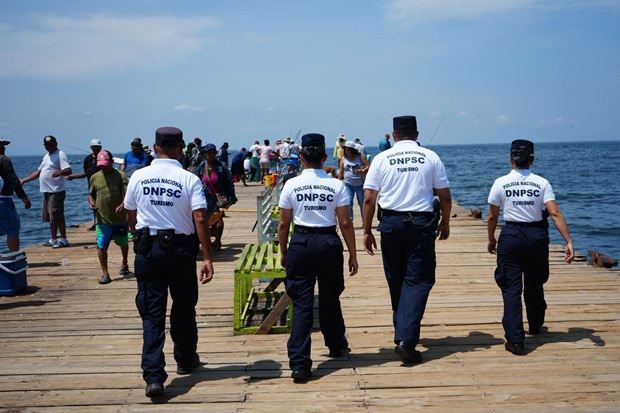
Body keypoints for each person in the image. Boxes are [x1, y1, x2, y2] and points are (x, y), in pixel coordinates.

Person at [123, 126, 215, 398]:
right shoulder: (189, 179)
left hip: (147, 250)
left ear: (154, 147)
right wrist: (207, 257)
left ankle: (153, 377)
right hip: (179, 251)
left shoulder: (138, 176)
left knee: (152, 313)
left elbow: (130, 214)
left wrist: (137, 235)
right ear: (181, 148)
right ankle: (185, 359)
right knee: (184, 307)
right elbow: (200, 219)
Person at [362, 116, 451, 364]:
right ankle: (406, 339)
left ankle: (402, 329)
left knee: (396, 277)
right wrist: (445, 222)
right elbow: (444, 195)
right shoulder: (430, 157)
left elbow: (369, 198)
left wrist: (367, 230)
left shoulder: (381, 158)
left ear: (394, 135)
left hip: (390, 224)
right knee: (419, 279)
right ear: (417, 134)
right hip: (420, 225)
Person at [278, 133, 358, 382]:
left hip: (301, 243)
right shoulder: (336, 185)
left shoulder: (291, 184)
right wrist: (352, 254)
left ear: (301, 158)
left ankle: (299, 364)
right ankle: (335, 344)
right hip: (328, 242)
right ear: (324, 157)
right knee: (329, 297)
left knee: (302, 303)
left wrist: (284, 251)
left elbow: (283, 223)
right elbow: (345, 223)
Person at [487, 139, 574, 356]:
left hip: (511, 235)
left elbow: (492, 216)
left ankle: (516, 340)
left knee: (511, 287)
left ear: (511, 159)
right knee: (535, 282)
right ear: (532, 160)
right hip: (537, 236)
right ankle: (535, 324)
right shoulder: (541, 183)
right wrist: (568, 241)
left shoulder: (500, 182)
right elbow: (554, 213)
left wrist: (491, 239)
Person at [21, 135, 73, 248]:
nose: (49, 146)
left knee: (58, 215)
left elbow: (68, 170)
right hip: (47, 191)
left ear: (56, 144)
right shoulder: (46, 156)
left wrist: (60, 173)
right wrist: (24, 180)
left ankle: (63, 239)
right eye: (47, 145)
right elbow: (38, 172)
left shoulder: (60, 154)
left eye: (51, 144)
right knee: (51, 216)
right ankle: (53, 239)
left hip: (56, 191)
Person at [88, 150, 130, 285]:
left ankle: (124, 262)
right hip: (102, 218)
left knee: (123, 243)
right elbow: (91, 194)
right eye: (100, 165)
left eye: (105, 165)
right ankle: (105, 273)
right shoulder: (94, 177)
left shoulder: (120, 175)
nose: (103, 167)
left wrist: (123, 205)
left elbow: (127, 193)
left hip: (119, 218)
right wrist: (92, 202)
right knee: (101, 245)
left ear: (112, 162)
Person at [195, 143, 237, 251]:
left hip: (219, 196)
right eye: (209, 153)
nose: (211, 155)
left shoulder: (221, 167)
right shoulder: (201, 167)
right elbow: (196, 181)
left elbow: (229, 181)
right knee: (206, 219)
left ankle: (218, 240)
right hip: (205, 198)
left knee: (218, 219)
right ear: (205, 154)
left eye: (213, 153)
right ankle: (207, 241)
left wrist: (231, 196)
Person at [0, 138, 32, 251]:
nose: (4, 147)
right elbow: (12, 178)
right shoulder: (3, 160)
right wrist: (24, 197)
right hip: (3, 200)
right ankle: (14, 256)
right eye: (2, 145)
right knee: (12, 229)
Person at [67, 138, 103, 230]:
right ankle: (96, 223)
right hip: (92, 186)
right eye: (94, 147)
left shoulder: (103, 157)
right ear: (91, 148)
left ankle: (105, 223)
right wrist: (73, 176)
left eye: (97, 147)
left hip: (103, 186)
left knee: (103, 204)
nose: (96, 148)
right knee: (93, 204)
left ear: (100, 147)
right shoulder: (88, 159)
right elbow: (85, 173)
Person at [338, 141, 369, 223]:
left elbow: (368, 166)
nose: (347, 151)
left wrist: (362, 170)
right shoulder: (343, 159)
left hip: (360, 184)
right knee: (349, 203)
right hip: (348, 184)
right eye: (346, 149)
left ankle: (365, 221)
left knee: (362, 203)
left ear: (353, 150)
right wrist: (338, 183)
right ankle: (350, 221)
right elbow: (341, 172)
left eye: (349, 149)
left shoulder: (360, 156)